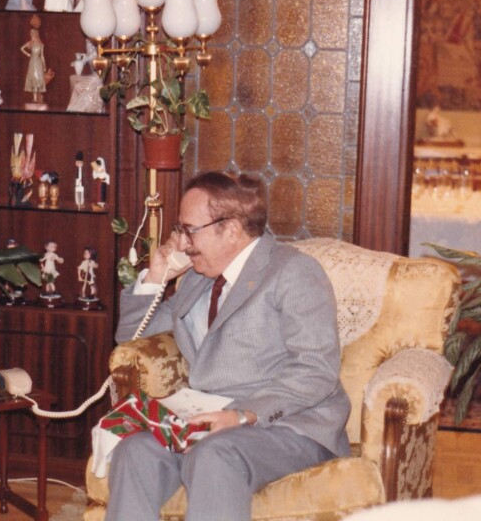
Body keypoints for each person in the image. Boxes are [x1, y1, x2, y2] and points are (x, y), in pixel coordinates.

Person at [107, 172, 350, 521]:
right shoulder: (197, 278)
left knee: (215, 454)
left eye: (190, 229)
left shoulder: (293, 271)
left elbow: (316, 370)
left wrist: (242, 415)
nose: (182, 242)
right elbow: (132, 336)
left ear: (232, 230)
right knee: (134, 451)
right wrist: (157, 274)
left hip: (289, 426)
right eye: (180, 229)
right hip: (210, 421)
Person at [20, 20, 53, 106]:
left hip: (38, 62)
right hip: (32, 61)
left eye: (33, 34)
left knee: (38, 78)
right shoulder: (30, 43)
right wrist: (28, 54)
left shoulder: (41, 44)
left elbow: (42, 56)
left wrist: (44, 65)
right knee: (33, 78)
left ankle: (38, 97)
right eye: (31, 34)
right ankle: (34, 98)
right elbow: (22, 48)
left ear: (36, 34)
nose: (32, 35)